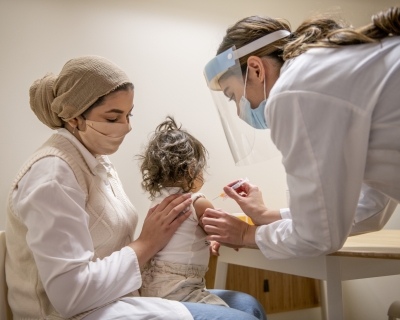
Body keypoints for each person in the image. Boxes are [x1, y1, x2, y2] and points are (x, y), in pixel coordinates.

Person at [5, 55, 265, 320]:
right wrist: (147, 243)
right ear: (74, 117)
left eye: (129, 115)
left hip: (117, 295)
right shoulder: (53, 175)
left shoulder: (96, 163)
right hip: (77, 313)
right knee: (241, 317)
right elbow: (70, 297)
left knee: (247, 304)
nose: (127, 127)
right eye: (113, 117)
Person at [202, 7, 400, 259]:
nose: (239, 111)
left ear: (255, 69)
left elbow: (318, 237)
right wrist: (267, 215)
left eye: (233, 96)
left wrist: (245, 235)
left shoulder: (293, 92)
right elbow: (371, 210)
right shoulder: (322, 70)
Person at [138, 117, 228, 307]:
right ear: (191, 170)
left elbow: (183, 238)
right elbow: (226, 231)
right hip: (180, 288)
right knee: (225, 309)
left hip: (150, 286)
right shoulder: (198, 203)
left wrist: (207, 241)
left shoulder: (158, 202)